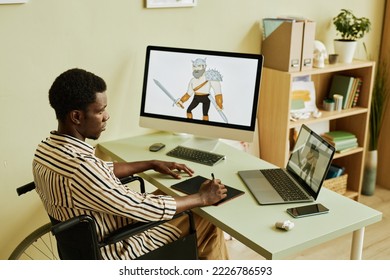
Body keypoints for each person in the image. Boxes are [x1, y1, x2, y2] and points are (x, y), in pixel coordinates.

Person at [33, 68, 229, 260]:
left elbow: (100, 172)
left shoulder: (46, 151)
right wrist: (202, 198)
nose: (106, 116)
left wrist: (151, 163)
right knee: (205, 217)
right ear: (76, 116)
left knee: (174, 194)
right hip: (118, 248)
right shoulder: (82, 169)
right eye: (100, 110)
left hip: (88, 244)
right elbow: (142, 207)